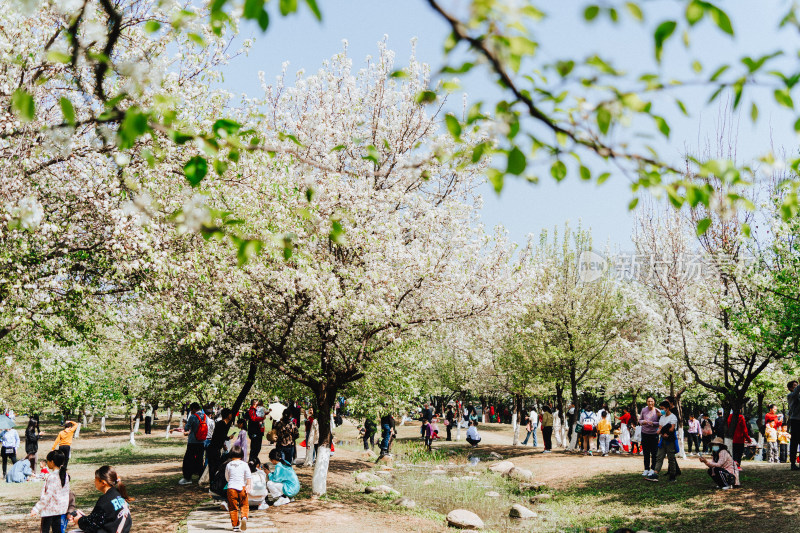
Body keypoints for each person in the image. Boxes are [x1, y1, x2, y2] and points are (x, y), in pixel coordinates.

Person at [69, 465, 132, 533]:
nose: (94, 482)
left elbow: (90, 525)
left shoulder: (105, 500)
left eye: (95, 480)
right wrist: (84, 517)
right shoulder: (118, 494)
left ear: (103, 483)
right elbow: (98, 519)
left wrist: (79, 520)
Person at [30, 450, 70, 532]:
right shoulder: (65, 475)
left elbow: (47, 495)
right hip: (60, 509)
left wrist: (36, 508)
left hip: (49, 509)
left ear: (52, 462)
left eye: (48, 461)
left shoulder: (53, 477)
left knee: (45, 530)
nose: (47, 463)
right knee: (57, 530)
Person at [646, 400, 679, 483]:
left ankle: (673, 475)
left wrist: (662, 431)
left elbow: (672, 429)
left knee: (671, 458)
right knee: (659, 457)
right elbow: (659, 428)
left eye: (662, 408)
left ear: (667, 408)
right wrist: (662, 433)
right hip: (663, 439)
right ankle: (655, 474)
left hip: (670, 440)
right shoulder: (662, 417)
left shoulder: (673, 417)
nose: (661, 410)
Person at [176, 402, 208, 485]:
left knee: (188, 460)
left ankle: (187, 477)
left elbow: (186, 428)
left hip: (193, 442)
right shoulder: (205, 417)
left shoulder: (193, 417)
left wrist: (186, 423)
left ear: (193, 408)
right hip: (202, 442)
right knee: (200, 460)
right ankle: (200, 477)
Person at [225, 445, 251, 532]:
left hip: (231, 488)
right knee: (244, 504)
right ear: (242, 455)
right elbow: (248, 476)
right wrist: (248, 485)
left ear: (231, 455)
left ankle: (235, 526)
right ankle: (244, 517)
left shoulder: (228, 465)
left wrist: (230, 482)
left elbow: (227, 477)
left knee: (233, 507)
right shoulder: (244, 464)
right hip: (242, 487)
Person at [639, 397, 660, 477]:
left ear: (654, 402)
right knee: (646, 452)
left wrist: (653, 423)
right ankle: (646, 469)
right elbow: (640, 420)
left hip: (654, 434)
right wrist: (642, 422)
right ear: (646, 402)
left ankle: (652, 469)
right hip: (645, 433)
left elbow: (660, 422)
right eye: (648, 401)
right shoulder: (643, 410)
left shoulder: (657, 411)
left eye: (651, 401)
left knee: (654, 453)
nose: (650, 403)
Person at [787, 380, 800, 470]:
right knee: (794, 442)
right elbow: (795, 394)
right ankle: (793, 463)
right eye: (795, 386)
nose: (797, 387)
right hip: (795, 421)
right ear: (790, 388)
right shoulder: (790, 396)